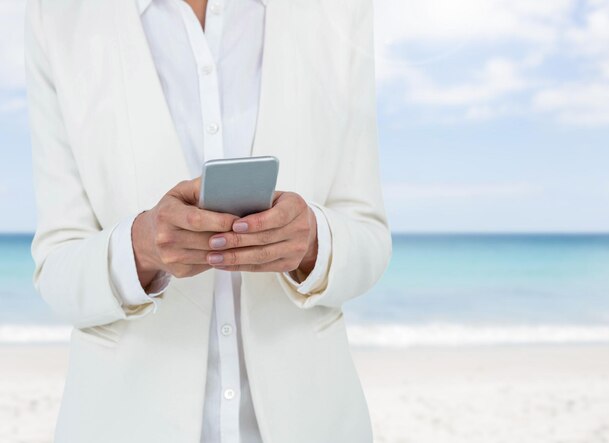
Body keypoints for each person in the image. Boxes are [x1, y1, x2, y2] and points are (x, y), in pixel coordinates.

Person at [25, 0, 391, 441]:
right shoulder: (58, 16)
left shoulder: (338, 10)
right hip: (123, 422)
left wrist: (313, 242)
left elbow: (369, 236)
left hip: (313, 421)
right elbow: (57, 273)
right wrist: (140, 247)